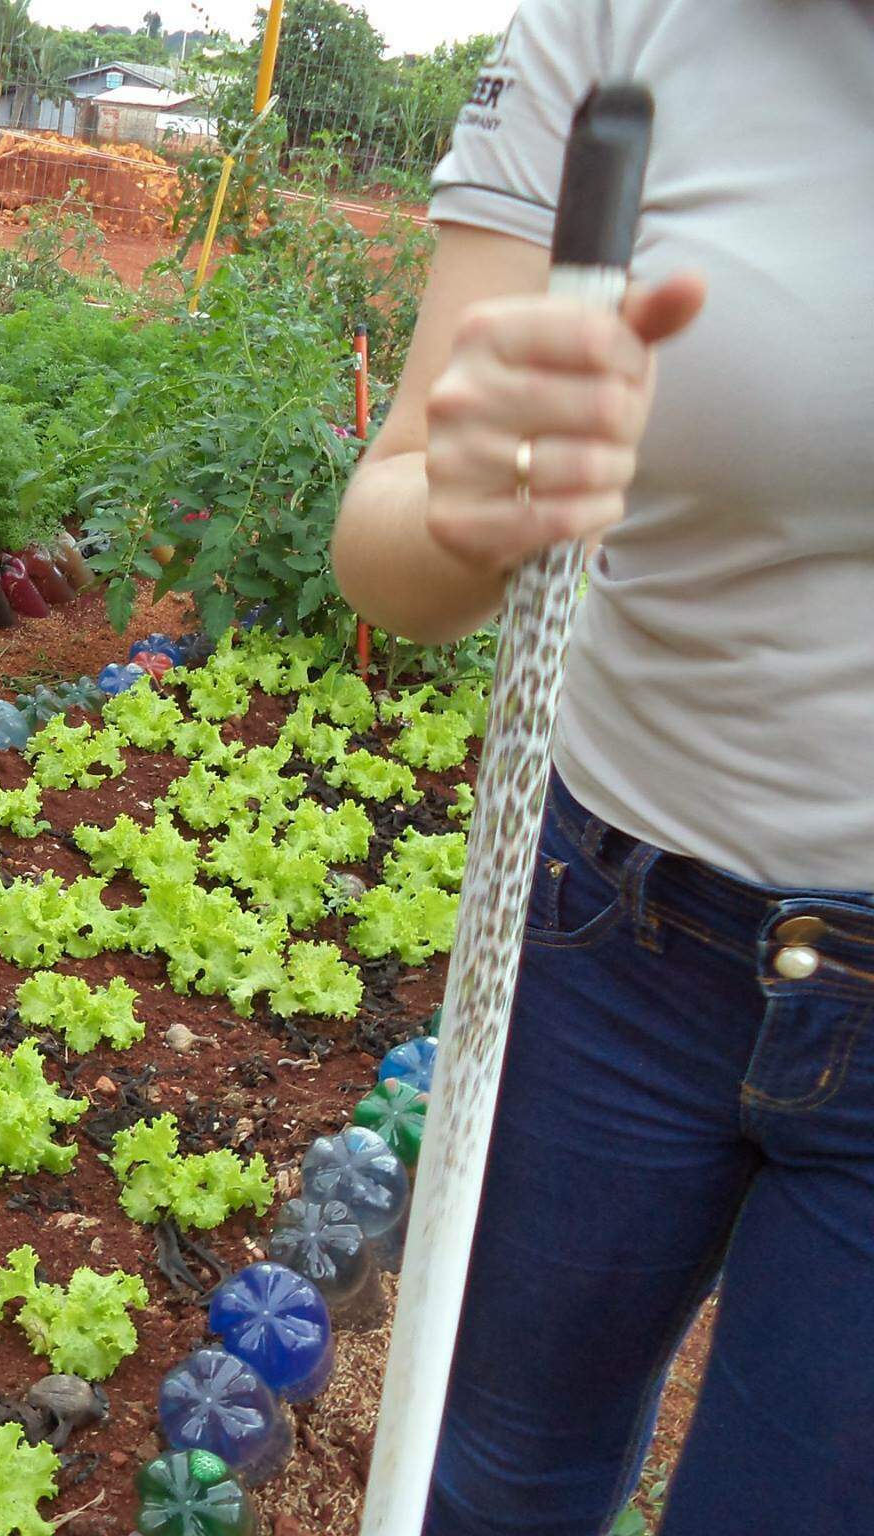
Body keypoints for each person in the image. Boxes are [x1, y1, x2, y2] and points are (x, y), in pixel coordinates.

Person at [333, 2, 872, 1534]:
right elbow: (390, 543)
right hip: (608, 927)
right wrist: (474, 489)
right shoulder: (621, 24)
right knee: (497, 1474)